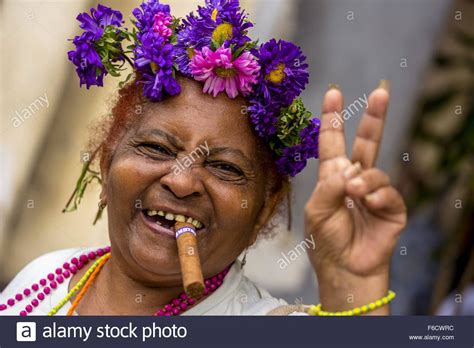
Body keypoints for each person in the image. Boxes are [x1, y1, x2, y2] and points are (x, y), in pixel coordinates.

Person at [0, 0, 406, 316]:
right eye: (156, 148)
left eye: (225, 168)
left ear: (263, 212)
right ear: (107, 163)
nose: (180, 180)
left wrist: (354, 291)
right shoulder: (45, 278)